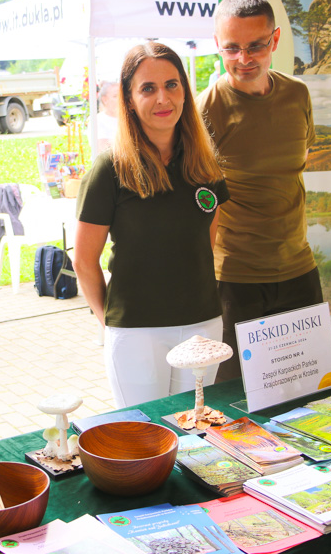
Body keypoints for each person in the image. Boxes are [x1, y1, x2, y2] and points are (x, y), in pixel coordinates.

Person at [74, 42, 229, 407]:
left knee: (197, 436)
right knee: (146, 439)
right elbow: (83, 262)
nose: (163, 98)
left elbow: (204, 244)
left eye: (172, 85)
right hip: (136, 332)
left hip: (202, 325)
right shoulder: (108, 171)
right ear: (128, 99)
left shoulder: (206, 166)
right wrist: (110, 324)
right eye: (148, 88)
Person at [197, 0, 323, 383]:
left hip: (299, 269)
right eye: (232, 48)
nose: (244, 59)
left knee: (309, 388)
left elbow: (293, 169)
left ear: (276, 40)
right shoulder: (205, 110)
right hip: (236, 280)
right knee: (235, 400)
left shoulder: (298, 95)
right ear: (217, 44)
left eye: (256, 46)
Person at [95, 80, 120, 153]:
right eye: (116, 96)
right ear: (105, 99)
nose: (121, 99)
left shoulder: (130, 118)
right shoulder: (98, 121)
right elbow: (104, 149)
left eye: (122, 96)